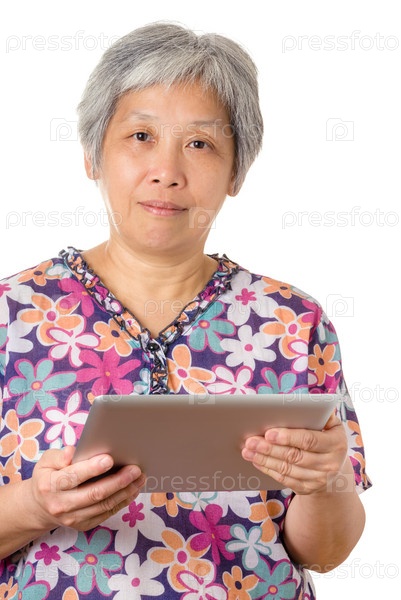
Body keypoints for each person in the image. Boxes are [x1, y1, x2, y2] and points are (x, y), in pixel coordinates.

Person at [0, 21, 370, 600]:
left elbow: (323, 554)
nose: (167, 172)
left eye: (200, 144)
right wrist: (32, 505)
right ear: (93, 155)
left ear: (236, 172)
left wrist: (325, 482)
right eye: (140, 136)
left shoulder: (294, 322)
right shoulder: (12, 315)